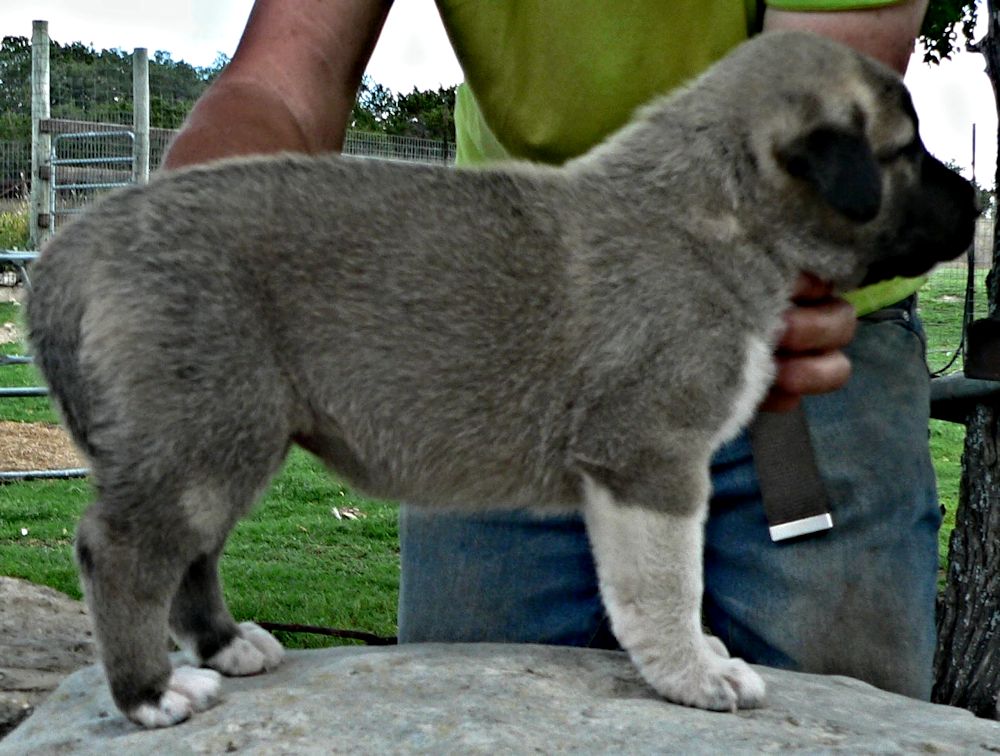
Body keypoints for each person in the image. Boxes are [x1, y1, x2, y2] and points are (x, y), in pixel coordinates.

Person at [164, 0, 940, 700]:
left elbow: (812, 131)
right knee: (472, 715)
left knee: (824, 719)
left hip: (794, 368)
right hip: (499, 339)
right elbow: (287, 77)